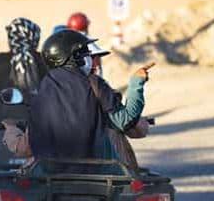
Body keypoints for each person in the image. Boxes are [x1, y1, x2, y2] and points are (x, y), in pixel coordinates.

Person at [28, 29, 151, 161]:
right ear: (72, 57)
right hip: (95, 168)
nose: (89, 58)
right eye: (85, 53)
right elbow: (125, 120)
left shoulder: (41, 88)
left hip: (48, 169)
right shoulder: (93, 83)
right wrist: (136, 83)